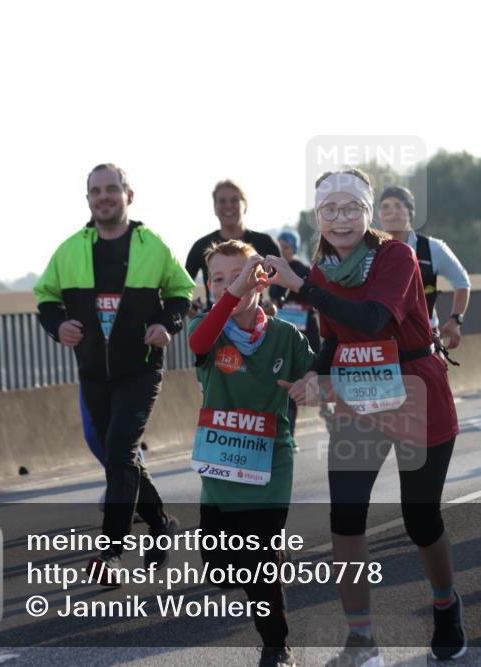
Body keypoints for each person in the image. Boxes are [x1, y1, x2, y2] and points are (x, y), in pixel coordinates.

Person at [267, 169, 465, 663]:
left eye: (351, 208)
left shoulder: (396, 256)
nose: (340, 219)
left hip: (417, 391)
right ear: (318, 217)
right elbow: (336, 336)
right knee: (346, 517)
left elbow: (373, 319)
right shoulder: (320, 268)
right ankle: (361, 638)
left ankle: (445, 605)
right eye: (329, 210)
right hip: (360, 398)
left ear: (368, 212)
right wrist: (314, 373)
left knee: (421, 520)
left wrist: (304, 288)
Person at [34, 163, 196, 582]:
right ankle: (161, 524)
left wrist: (167, 324)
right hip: (93, 372)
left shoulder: (151, 245)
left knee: (121, 450)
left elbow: (181, 294)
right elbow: (46, 299)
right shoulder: (70, 249)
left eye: (111, 190)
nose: (103, 197)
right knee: (117, 456)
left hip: (140, 370)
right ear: (88, 199)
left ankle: (111, 553)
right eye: (95, 191)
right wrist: (58, 326)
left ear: (128, 195)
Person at [187, 240, 314, 667]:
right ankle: (271, 560)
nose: (231, 285)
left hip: (270, 462)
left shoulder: (285, 337)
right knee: (221, 568)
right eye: (219, 279)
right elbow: (198, 343)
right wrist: (232, 292)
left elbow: (319, 375)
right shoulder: (208, 331)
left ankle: (276, 645)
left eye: (240, 275)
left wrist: (312, 385)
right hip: (220, 466)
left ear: (261, 280)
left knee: (257, 564)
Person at [377, 185, 471, 352]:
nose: (391, 212)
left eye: (398, 206)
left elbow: (462, 281)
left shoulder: (432, 248)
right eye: (385, 207)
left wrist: (456, 320)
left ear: (410, 213)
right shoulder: (369, 251)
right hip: (383, 343)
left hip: (425, 342)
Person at [186, 180, 281, 311]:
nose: (228, 206)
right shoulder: (201, 246)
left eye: (234, 200)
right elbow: (184, 285)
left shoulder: (265, 243)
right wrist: (189, 305)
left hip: (255, 324)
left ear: (245, 205)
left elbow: (282, 277)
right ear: (215, 207)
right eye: (222, 201)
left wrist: (275, 301)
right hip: (214, 324)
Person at [267, 229, 323, 440]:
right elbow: (274, 298)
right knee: (284, 382)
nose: (283, 251)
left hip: (306, 334)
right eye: (279, 247)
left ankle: (293, 430)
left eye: (286, 247)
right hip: (283, 334)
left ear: (295, 248)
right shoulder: (274, 271)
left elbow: (314, 298)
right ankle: (286, 434)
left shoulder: (304, 270)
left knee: (302, 380)